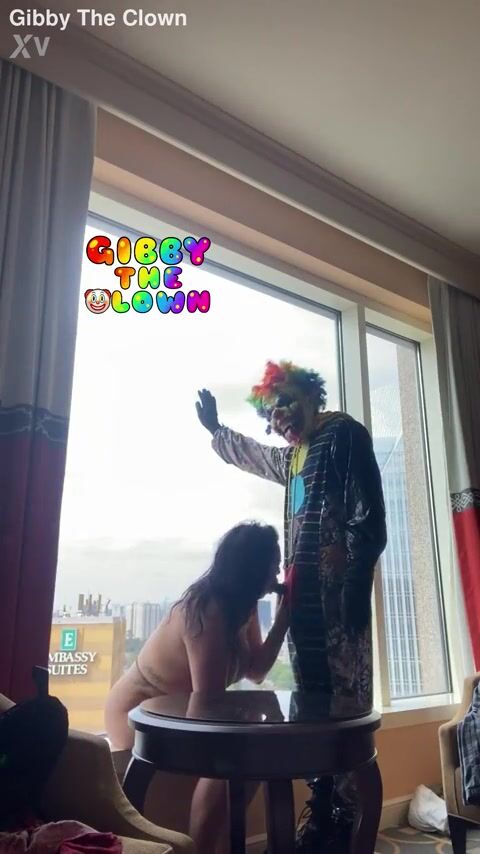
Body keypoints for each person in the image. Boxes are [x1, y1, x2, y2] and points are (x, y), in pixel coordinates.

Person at [195, 360, 387, 852]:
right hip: (303, 612)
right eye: (270, 414)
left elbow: (368, 515)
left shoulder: (343, 434)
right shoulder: (294, 456)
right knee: (313, 712)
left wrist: (353, 587)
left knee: (345, 712)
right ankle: (321, 815)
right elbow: (257, 456)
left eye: (282, 403)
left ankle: (346, 826)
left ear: (307, 392)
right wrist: (218, 433)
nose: (278, 418)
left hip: (338, 607)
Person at [105, 521, 289, 854]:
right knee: (228, 758)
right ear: (251, 568)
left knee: (257, 754)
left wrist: (283, 620)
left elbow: (256, 671)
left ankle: (223, 844)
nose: (277, 575)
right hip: (140, 712)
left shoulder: (244, 607)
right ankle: (203, 848)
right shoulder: (208, 610)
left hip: (182, 711)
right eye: (272, 566)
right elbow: (210, 702)